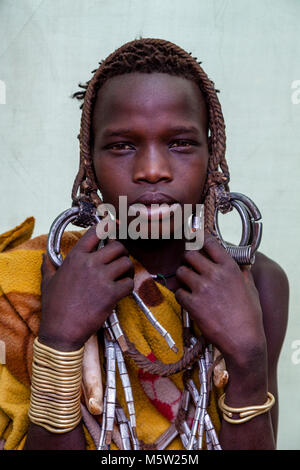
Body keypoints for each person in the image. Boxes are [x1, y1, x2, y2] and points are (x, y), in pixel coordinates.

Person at [0, 38, 289, 451]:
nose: (152, 170)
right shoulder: (32, 277)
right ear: (89, 165)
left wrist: (247, 357)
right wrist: (60, 340)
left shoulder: (258, 283)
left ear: (214, 158)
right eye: (122, 145)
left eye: (180, 143)